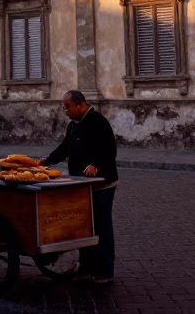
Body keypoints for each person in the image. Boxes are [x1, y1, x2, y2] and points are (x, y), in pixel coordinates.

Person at [39, 90, 118, 284]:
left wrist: (95, 164)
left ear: (80, 105)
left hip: (102, 185)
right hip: (81, 186)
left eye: (68, 107)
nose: (65, 111)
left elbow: (109, 150)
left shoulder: (98, 122)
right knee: (84, 227)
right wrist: (46, 161)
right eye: (64, 107)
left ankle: (105, 271)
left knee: (101, 227)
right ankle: (86, 266)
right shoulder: (73, 125)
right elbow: (65, 148)